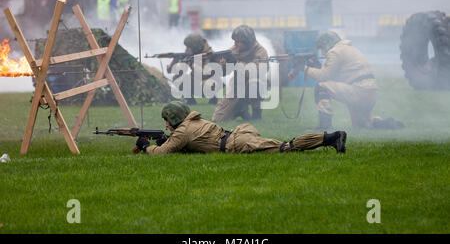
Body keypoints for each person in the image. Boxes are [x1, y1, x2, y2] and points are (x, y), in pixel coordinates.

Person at [132, 101, 347, 155]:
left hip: (238, 143)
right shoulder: (192, 121)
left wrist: (145, 147)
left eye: (167, 121)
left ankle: (331, 137)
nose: (166, 125)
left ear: (174, 119)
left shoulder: (182, 132)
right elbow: (186, 143)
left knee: (285, 147)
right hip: (240, 131)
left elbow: (162, 153)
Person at [288, 31, 405, 130]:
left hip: (359, 90)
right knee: (362, 124)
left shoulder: (335, 52)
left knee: (322, 86)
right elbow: (334, 76)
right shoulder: (348, 49)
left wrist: (304, 68)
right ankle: (386, 123)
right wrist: (314, 67)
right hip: (369, 92)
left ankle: (325, 126)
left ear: (328, 44)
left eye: (322, 48)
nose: (323, 52)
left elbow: (323, 77)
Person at [212, 25, 268, 122]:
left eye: (238, 41)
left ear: (247, 41)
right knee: (218, 118)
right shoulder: (234, 50)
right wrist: (222, 64)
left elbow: (259, 71)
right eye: (235, 41)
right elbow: (224, 72)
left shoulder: (260, 51)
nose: (235, 44)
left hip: (253, 84)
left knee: (255, 84)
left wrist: (239, 65)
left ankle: (256, 113)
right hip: (236, 86)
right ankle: (241, 109)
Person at [167, 33, 217, 105]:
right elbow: (180, 70)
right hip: (196, 80)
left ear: (195, 47)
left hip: (209, 81)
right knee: (177, 78)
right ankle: (190, 100)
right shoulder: (192, 53)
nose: (186, 49)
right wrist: (174, 62)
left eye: (188, 47)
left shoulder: (209, 54)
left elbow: (207, 73)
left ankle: (213, 98)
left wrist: (194, 66)